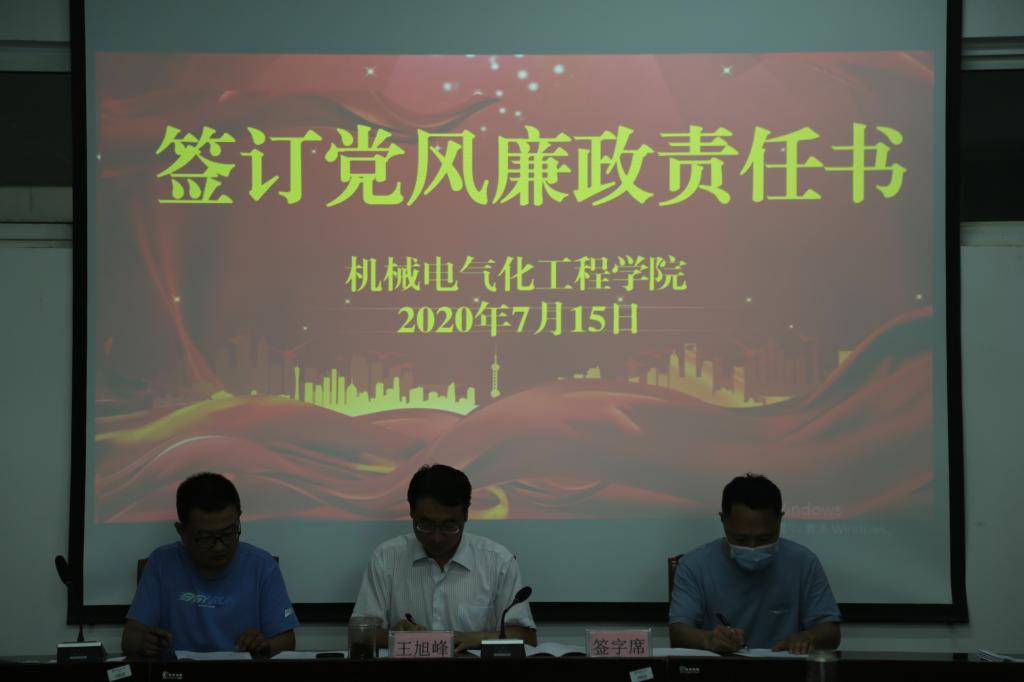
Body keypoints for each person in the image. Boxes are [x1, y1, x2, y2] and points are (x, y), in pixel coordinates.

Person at [353, 464, 537, 651]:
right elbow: (359, 634)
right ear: (412, 513)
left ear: (466, 515)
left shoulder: (498, 562)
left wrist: (475, 638)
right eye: (426, 525)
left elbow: (527, 637)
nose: (437, 537)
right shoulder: (386, 558)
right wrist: (395, 636)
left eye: (449, 526)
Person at [122, 472, 299, 656]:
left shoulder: (262, 566)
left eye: (229, 533)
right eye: (206, 538)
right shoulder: (162, 563)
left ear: (239, 519)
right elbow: (130, 639)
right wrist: (144, 641)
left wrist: (264, 645)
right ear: (181, 531)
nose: (219, 547)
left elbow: (287, 642)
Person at [669, 474, 841, 654]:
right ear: (723, 520)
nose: (753, 548)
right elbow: (678, 632)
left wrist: (809, 637)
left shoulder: (804, 562)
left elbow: (831, 631)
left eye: (764, 539)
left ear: (780, 519)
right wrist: (708, 639)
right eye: (741, 539)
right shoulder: (694, 565)